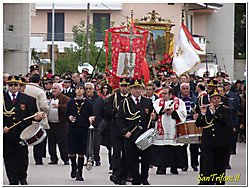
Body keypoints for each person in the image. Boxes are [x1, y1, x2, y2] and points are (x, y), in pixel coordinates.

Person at [3, 75, 43, 185]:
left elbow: (33, 115)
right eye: (10, 85)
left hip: (22, 133)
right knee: (9, 157)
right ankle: (12, 179)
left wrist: (38, 117)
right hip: (7, 133)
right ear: (7, 86)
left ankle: (22, 177)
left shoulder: (28, 99)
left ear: (20, 86)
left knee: (22, 157)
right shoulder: (2, 98)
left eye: (16, 85)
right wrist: (3, 126)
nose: (13, 87)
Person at [116, 79, 156, 185]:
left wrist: (154, 117)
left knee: (146, 159)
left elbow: (152, 117)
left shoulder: (147, 102)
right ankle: (136, 179)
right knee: (132, 159)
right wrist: (125, 131)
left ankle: (144, 178)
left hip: (144, 135)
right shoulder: (125, 102)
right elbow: (119, 119)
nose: (137, 91)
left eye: (139, 88)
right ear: (131, 89)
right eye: (134, 88)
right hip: (131, 135)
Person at [196, 90, 232, 185]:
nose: (216, 100)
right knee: (207, 163)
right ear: (210, 100)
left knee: (220, 163)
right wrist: (202, 114)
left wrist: (214, 112)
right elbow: (199, 124)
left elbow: (224, 120)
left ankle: (219, 181)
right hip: (208, 142)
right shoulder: (206, 110)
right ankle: (206, 181)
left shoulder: (225, 109)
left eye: (218, 98)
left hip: (221, 142)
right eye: (214, 98)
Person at [152, 86, 187, 175]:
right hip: (161, 131)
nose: (162, 95)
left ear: (171, 94)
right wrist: (163, 110)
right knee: (162, 149)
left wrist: (173, 112)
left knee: (174, 148)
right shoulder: (157, 102)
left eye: (165, 93)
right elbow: (155, 112)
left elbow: (183, 114)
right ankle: (161, 167)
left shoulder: (179, 102)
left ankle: (174, 167)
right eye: (162, 93)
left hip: (173, 129)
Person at [66, 82, 95, 181]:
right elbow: (66, 114)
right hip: (72, 129)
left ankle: (80, 173)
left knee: (81, 152)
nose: (79, 90)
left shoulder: (88, 103)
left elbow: (92, 114)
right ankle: (74, 167)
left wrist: (91, 118)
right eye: (77, 88)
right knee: (72, 152)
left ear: (84, 91)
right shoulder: (70, 102)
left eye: (81, 89)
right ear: (75, 90)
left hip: (83, 129)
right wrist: (69, 117)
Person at [104, 78, 130, 185]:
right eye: (122, 86)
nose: (123, 88)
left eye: (125, 86)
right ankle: (116, 172)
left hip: (127, 128)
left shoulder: (131, 98)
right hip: (115, 128)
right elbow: (106, 114)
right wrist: (116, 110)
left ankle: (126, 173)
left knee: (127, 152)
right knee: (116, 152)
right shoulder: (113, 98)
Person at [25, 74, 49, 165]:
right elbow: (44, 106)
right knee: (38, 137)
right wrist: (47, 110)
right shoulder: (40, 91)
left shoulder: (24, 88)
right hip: (37, 116)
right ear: (39, 81)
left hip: (25, 116)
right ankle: (38, 158)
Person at [47, 83, 70, 165]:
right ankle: (53, 158)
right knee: (51, 143)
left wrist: (59, 107)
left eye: (56, 88)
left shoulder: (65, 98)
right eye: (53, 88)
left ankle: (65, 159)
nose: (53, 90)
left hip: (61, 124)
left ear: (60, 90)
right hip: (51, 124)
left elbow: (68, 107)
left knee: (62, 142)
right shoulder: (50, 98)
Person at [178, 83, 199, 172]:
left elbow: (199, 110)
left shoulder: (195, 99)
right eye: (184, 88)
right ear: (180, 90)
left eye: (187, 88)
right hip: (182, 123)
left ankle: (194, 164)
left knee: (194, 146)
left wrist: (197, 115)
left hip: (192, 123)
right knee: (183, 146)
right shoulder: (177, 100)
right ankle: (184, 165)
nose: (186, 90)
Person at [85, 82, 105, 166]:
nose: (88, 90)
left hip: (97, 125)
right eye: (86, 89)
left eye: (90, 88)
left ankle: (97, 158)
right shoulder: (83, 99)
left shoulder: (100, 100)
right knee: (86, 143)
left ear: (94, 89)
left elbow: (103, 112)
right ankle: (89, 159)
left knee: (96, 144)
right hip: (85, 125)